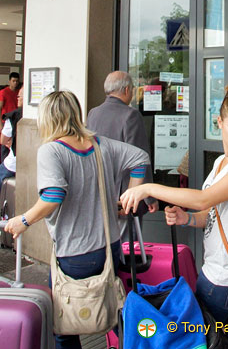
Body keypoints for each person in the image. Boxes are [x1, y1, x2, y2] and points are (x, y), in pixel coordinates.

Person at [120, 81, 228, 349]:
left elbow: (204, 199)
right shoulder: (222, 162)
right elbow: (209, 213)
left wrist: (149, 188)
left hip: (226, 275)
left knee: (199, 339)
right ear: (219, 122)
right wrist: (186, 218)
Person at [5, 90, 152, 349]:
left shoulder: (52, 151)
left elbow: (53, 197)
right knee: (112, 308)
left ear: (47, 117)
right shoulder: (101, 144)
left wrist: (23, 221)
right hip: (109, 246)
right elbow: (140, 159)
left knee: (64, 326)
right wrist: (130, 197)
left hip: (74, 253)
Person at [87, 71, 158, 236]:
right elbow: (140, 157)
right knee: (126, 243)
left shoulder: (93, 113)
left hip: (100, 190)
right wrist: (149, 196)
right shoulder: (131, 115)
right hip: (125, 193)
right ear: (126, 90)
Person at [0, 86, 23, 192]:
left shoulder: (14, 116)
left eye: (19, 96)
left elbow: (3, 140)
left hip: (13, 164)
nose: (17, 98)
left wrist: (11, 142)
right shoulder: (43, 116)